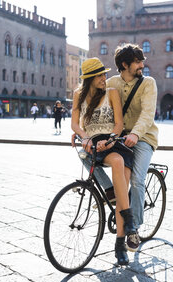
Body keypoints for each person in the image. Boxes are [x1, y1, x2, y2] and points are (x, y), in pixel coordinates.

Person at [73, 44, 158, 256]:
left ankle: (133, 229)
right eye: (138, 62)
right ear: (124, 65)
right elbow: (90, 108)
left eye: (141, 61)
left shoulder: (148, 83)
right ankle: (110, 192)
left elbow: (147, 115)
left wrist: (135, 135)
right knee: (86, 156)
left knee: (137, 180)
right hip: (116, 138)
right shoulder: (110, 83)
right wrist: (82, 133)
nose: (142, 65)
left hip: (143, 137)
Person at [71, 57, 137, 266]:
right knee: (85, 158)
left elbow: (119, 124)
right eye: (99, 75)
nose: (104, 78)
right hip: (92, 144)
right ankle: (128, 220)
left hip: (113, 142)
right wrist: (84, 136)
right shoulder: (78, 96)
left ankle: (121, 241)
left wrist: (109, 140)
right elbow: (75, 123)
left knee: (118, 166)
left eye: (104, 74)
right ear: (90, 78)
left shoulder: (111, 93)